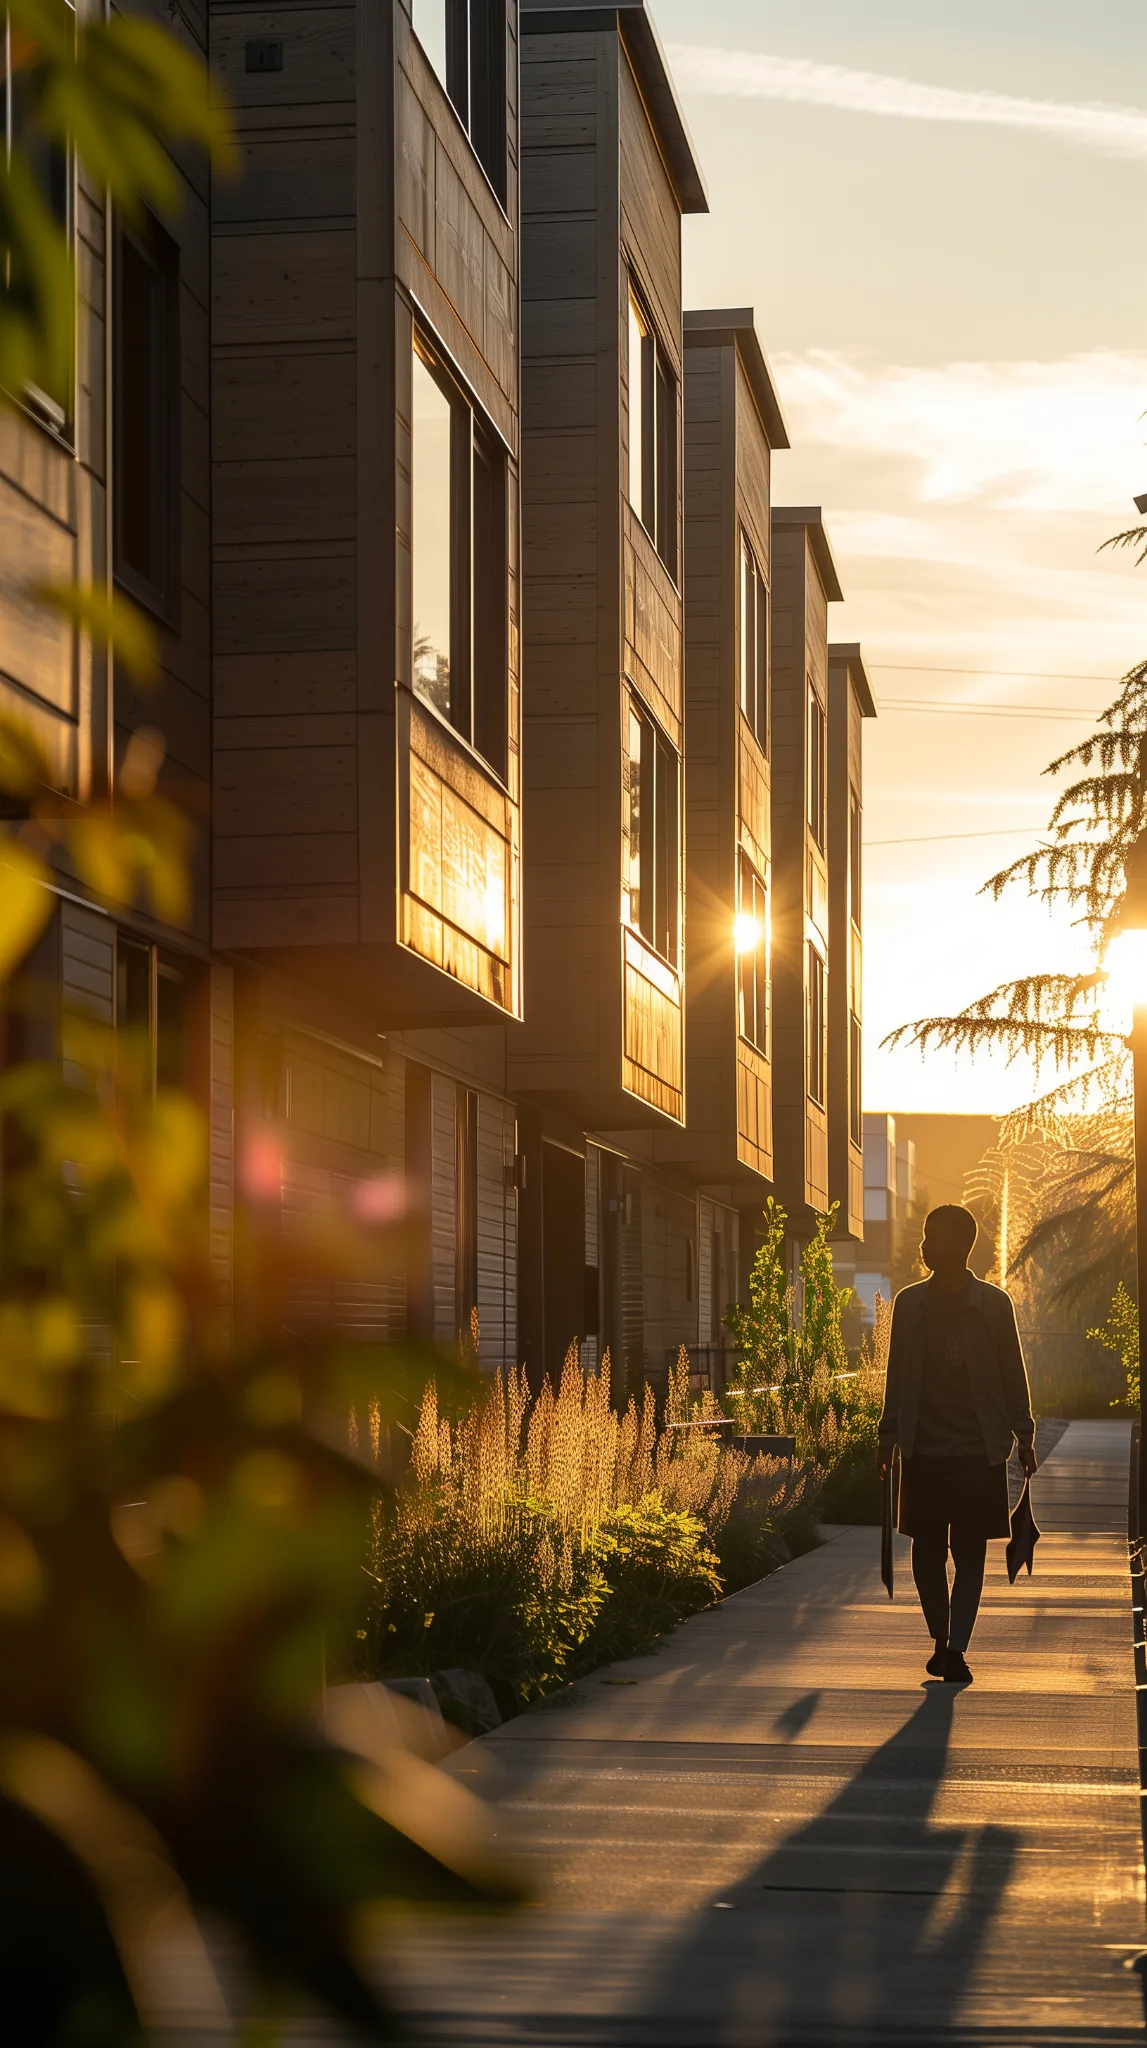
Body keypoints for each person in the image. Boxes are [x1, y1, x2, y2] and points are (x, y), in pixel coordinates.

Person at [877, 1203, 1036, 1685]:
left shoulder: (992, 1305)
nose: (924, 1246)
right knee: (925, 1554)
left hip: (977, 1453)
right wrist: (886, 1439)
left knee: (969, 1554)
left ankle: (955, 1648)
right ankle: (941, 1640)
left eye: (932, 1237)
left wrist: (1024, 1433)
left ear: (957, 1245)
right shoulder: (909, 1304)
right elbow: (896, 1377)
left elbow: (1013, 1372)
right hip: (922, 1451)